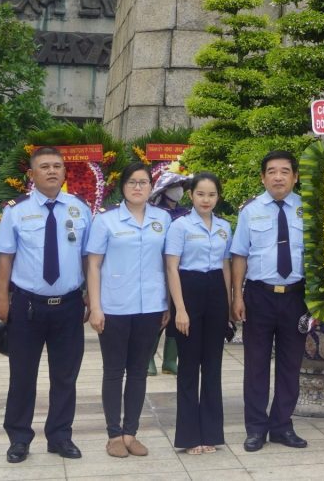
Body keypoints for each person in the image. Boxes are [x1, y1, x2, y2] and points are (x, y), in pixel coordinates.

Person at [0, 146, 92, 463]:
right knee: (22, 375)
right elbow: (5, 259)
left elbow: (89, 258)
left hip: (69, 304)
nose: (52, 171)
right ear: (32, 174)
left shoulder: (80, 208)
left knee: (65, 376)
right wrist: (0, 301)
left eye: (57, 166)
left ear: (65, 172)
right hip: (27, 305)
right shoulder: (16, 210)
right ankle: (19, 438)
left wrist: (91, 294)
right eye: (45, 166)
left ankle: (60, 436)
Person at [85, 163, 170, 458]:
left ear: (151, 187)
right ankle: (113, 434)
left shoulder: (163, 220)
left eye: (144, 182)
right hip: (114, 307)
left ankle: (131, 432)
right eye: (132, 182)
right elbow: (93, 264)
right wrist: (95, 306)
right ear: (122, 186)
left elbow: (169, 263)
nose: (138, 187)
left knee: (138, 372)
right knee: (113, 371)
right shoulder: (106, 221)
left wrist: (168, 302)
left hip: (151, 306)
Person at [230, 150, 308, 452]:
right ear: (263, 177)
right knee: (256, 365)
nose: (278, 177)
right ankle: (256, 428)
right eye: (272, 171)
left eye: (285, 171)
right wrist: (237, 295)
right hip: (259, 296)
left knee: (291, 365)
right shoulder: (250, 211)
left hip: (295, 297)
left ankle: (282, 426)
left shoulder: (306, 209)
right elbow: (239, 254)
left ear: (295, 176)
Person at [165, 172, 233, 455]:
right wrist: (180, 309)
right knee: (189, 368)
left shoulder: (224, 227)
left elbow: (226, 266)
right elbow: (171, 268)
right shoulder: (180, 226)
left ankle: (211, 435)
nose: (206, 199)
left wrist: (228, 307)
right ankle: (190, 436)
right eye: (201, 194)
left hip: (216, 292)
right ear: (191, 195)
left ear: (218, 197)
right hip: (188, 292)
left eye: (212, 194)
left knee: (213, 367)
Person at [148, 169, 192, 376]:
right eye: (174, 187)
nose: (178, 192)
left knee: (177, 313)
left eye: (181, 187)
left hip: (182, 270)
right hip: (158, 269)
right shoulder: (154, 214)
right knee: (159, 315)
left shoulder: (186, 213)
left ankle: (170, 360)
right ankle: (148, 358)